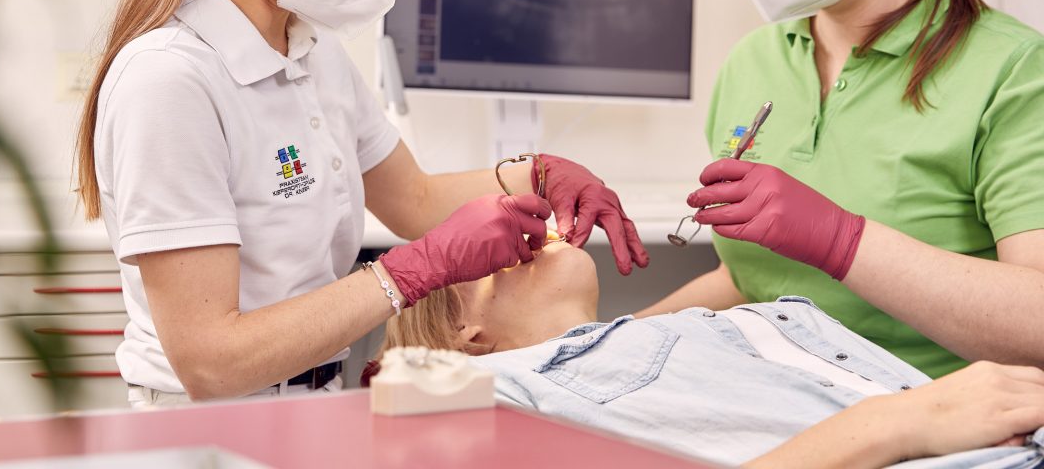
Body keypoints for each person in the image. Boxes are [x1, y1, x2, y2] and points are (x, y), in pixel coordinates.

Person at [74, 0, 648, 406]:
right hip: (212, 422)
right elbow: (210, 362)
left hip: (314, 398)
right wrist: (412, 272)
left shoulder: (310, 50)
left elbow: (414, 201)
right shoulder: (170, 80)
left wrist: (540, 174)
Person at [645, 0, 1044, 378]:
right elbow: (746, 281)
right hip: (773, 392)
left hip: (934, 409)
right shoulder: (754, 61)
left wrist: (841, 239)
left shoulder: (1012, 72)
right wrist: (606, 342)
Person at [372, 242, 1044, 469]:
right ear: (466, 337)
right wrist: (902, 422)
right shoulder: (502, 387)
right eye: (485, 255)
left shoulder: (686, 329)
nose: (519, 235)